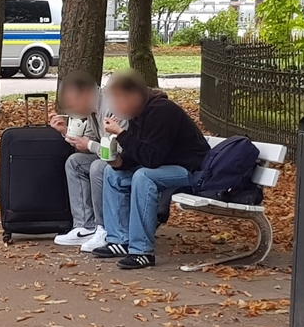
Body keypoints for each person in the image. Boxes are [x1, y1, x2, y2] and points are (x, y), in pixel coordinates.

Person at [93, 70, 210, 269]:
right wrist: (119, 163)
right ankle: (119, 240)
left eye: (118, 101)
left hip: (191, 170)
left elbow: (151, 159)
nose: (115, 107)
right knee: (112, 173)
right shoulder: (139, 115)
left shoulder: (162, 111)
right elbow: (139, 152)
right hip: (165, 166)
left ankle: (142, 251)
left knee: (143, 176)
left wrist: (121, 133)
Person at [48, 71, 127, 252]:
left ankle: (103, 228)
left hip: (128, 158)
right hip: (110, 154)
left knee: (98, 167)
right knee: (75, 162)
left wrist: (90, 144)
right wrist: (66, 131)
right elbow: (89, 141)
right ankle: (85, 226)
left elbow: (114, 151)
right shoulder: (92, 111)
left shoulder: (111, 106)